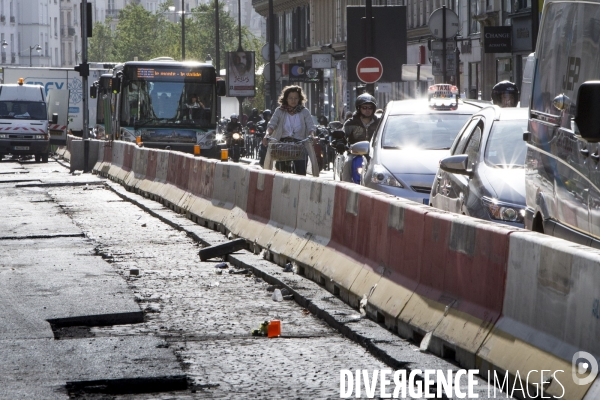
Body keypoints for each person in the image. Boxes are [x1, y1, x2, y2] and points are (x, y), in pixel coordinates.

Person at [262, 85, 317, 176]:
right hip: (282, 144)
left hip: (299, 144)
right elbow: (272, 125)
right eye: (290, 98)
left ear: (299, 99)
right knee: (279, 172)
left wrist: (312, 136)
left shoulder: (304, 111)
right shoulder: (279, 111)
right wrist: (266, 135)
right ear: (286, 99)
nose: (293, 100)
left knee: (301, 172)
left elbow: (311, 127)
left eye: (296, 98)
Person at [341, 93, 380, 182]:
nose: (367, 110)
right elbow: (342, 136)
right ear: (359, 108)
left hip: (374, 155)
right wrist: (340, 143)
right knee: (348, 162)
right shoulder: (350, 123)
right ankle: (346, 188)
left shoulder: (379, 122)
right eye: (364, 107)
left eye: (370, 108)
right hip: (354, 154)